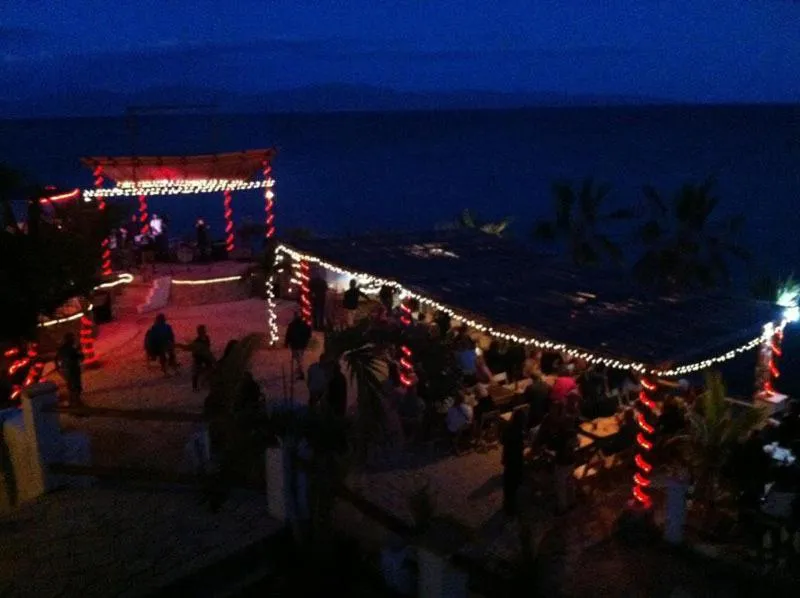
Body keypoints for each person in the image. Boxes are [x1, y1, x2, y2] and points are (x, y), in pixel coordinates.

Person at [535, 401, 578, 514]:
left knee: (560, 484)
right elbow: (575, 442)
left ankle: (562, 507)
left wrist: (546, 448)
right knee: (569, 480)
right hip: (571, 459)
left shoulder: (561, 430)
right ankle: (572, 501)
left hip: (563, 460)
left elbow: (553, 445)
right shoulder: (569, 424)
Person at [501, 408, 526, 515]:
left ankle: (508, 503)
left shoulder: (509, 429)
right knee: (514, 483)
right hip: (517, 460)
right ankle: (511, 505)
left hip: (509, 458)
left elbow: (503, 442)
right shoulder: (520, 432)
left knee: (508, 483)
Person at [179, 325, 214, 391]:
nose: (203, 332)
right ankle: (194, 387)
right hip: (198, 357)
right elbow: (193, 351)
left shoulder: (207, 338)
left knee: (209, 369)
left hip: (206, 356)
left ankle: (206, 382)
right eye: (201, 331)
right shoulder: (197, 341)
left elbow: (207, 347)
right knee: (196, 372)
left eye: (204, 330)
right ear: (199, 332)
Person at [55, 333, 84, 407]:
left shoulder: (62, 348)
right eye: (73, 338)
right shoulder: (71, 349)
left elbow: (57, 359)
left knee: (71, 386)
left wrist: (59, 368)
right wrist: (79, 351)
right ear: (70, 339)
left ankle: (73, 401)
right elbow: (80, 357)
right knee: (75, 386)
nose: (74, 340)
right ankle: (76, 402)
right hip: (73, 369)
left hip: (66, 370)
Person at [284, 312, 312, 380]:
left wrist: (286, 343)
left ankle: (301, 372)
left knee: (298, 358)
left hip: (295, 345)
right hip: (301, 345)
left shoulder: (292, 325)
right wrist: (306, 340)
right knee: (299, 358)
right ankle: (299, 369)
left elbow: (288, 335)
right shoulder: (304, 324)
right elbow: (309, 333)